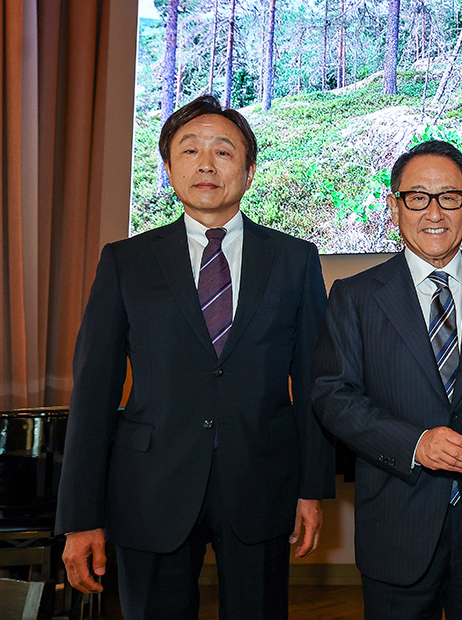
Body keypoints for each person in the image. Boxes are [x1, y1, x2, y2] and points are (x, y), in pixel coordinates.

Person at [55, 95, 336, 619]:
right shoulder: (125, 262)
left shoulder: (293, 259)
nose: (206, 164)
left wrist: (311, 489)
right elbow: (93, 393)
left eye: (223, 152)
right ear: (168, 168)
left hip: (261, 483)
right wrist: (79, 515)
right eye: (189, 150)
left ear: (248, 172)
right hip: (149, 490)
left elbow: (314, 382)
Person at [311, 140, 462, 620]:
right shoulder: (354, 296)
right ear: (394, 207)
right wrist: (416, 443)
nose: (435, 212)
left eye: (449, 197)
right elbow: (333, 396)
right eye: (417, 197)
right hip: (397, 523)